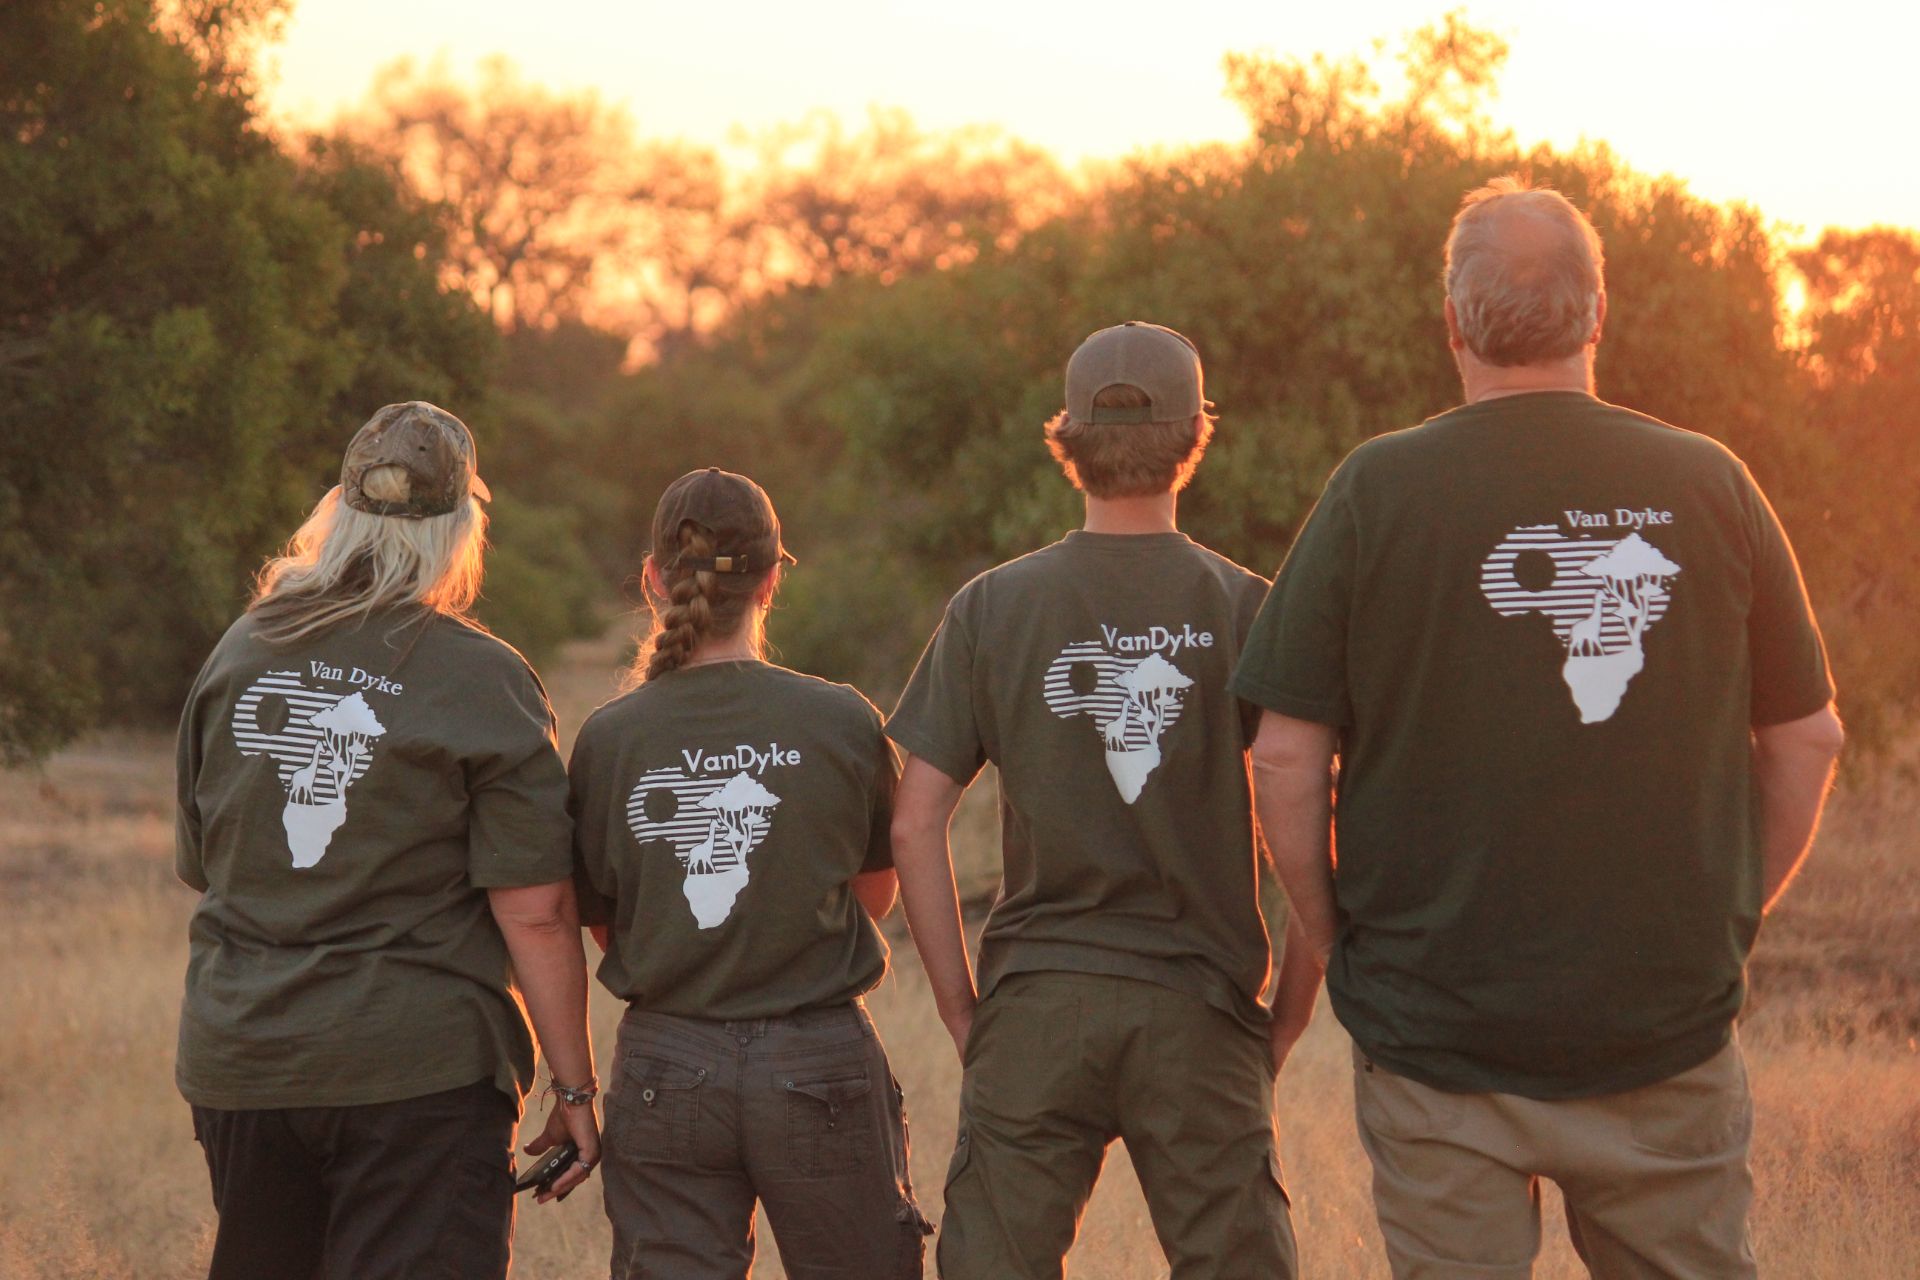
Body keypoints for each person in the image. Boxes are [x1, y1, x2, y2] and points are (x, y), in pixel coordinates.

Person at [1233, 179, 1845, 1279]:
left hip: (1434, 1031)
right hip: (1661, 1023)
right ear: (1597, 312)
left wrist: (1331, 935)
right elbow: (1808, 740)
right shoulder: (1710, 481)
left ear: (1453, 323)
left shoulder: (1376, 489)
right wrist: (1727, 909)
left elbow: (1282, 753)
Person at [887, 322, 1313, 1280]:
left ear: (1068, 441)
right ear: (1194, 438)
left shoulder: (993, 606)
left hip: (1037, 1007)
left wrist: (963, 1013)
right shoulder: (1248, 607)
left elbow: (913, 821)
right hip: (1202, 1009)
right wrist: (1286, 1013)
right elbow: (1315, 810)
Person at [174, 401, 600, 1280]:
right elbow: (537, 912)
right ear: (459, 529)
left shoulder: (241, 649)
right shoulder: (482, 676)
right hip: (419, 1073)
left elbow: (204, 862)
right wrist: (575, 1088)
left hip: (246, 1059)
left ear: (338, 513)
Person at [568, 467, 930, 1280]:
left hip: (666, 1063)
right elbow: (875, 895)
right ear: (771, 581)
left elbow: (606, 926)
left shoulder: (610, 737)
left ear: (654, 580)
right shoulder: (843, 718)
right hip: (818, 1057)